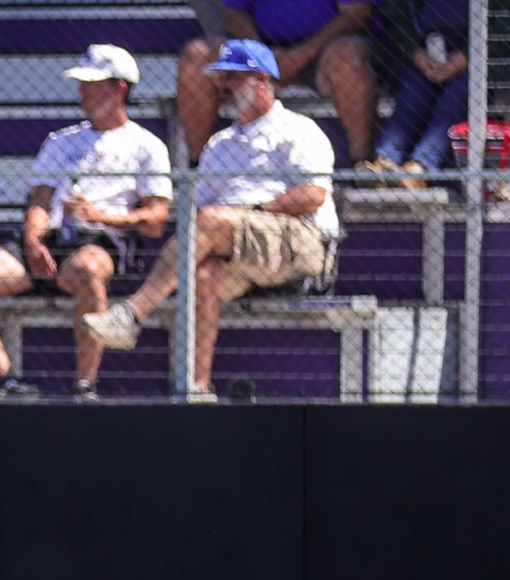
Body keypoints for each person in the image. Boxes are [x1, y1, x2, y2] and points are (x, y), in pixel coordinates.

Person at [82, 40, 339, 401]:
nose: (222, 86)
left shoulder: (298, 129)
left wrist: (250, 213)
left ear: (262, 79)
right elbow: (198, 215)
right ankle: (197, 386)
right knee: (203, 274)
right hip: (240, 248)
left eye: (232, 77)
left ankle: (131, 315)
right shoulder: (221, 143)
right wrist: (228, 221)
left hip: (302, 242)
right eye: (221, 78)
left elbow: (313, 195)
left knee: (213, 221)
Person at [0, 44, 172, 402]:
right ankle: (5, 379)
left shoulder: (147, 145)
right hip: (48, 242)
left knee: (89, 269)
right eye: (81, 83)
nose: (81, 91)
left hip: (102, 242)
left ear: (119, 88)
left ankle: (84, 386)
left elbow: (157, 219)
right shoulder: (60, 141)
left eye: (91, 83)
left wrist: (102, 217)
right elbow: (39, 201)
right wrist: (33, 241)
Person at [177, 0, 380, 167]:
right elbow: (232, 12)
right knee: (197, 56)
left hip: (323, 50)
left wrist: (300, 55)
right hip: (259, 48)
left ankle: (362, 166)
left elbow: (356, 14)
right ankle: (199, 167)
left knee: (349, 57)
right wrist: (261, 55)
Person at [359, 0, 470, 189]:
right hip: (425, 56)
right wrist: (418, 56)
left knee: (451, 103)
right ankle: (384, 163)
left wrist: (461, 60)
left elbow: (502, 27)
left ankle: (420, 168)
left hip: (477, 63)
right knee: (411, 98)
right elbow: (396, 20)